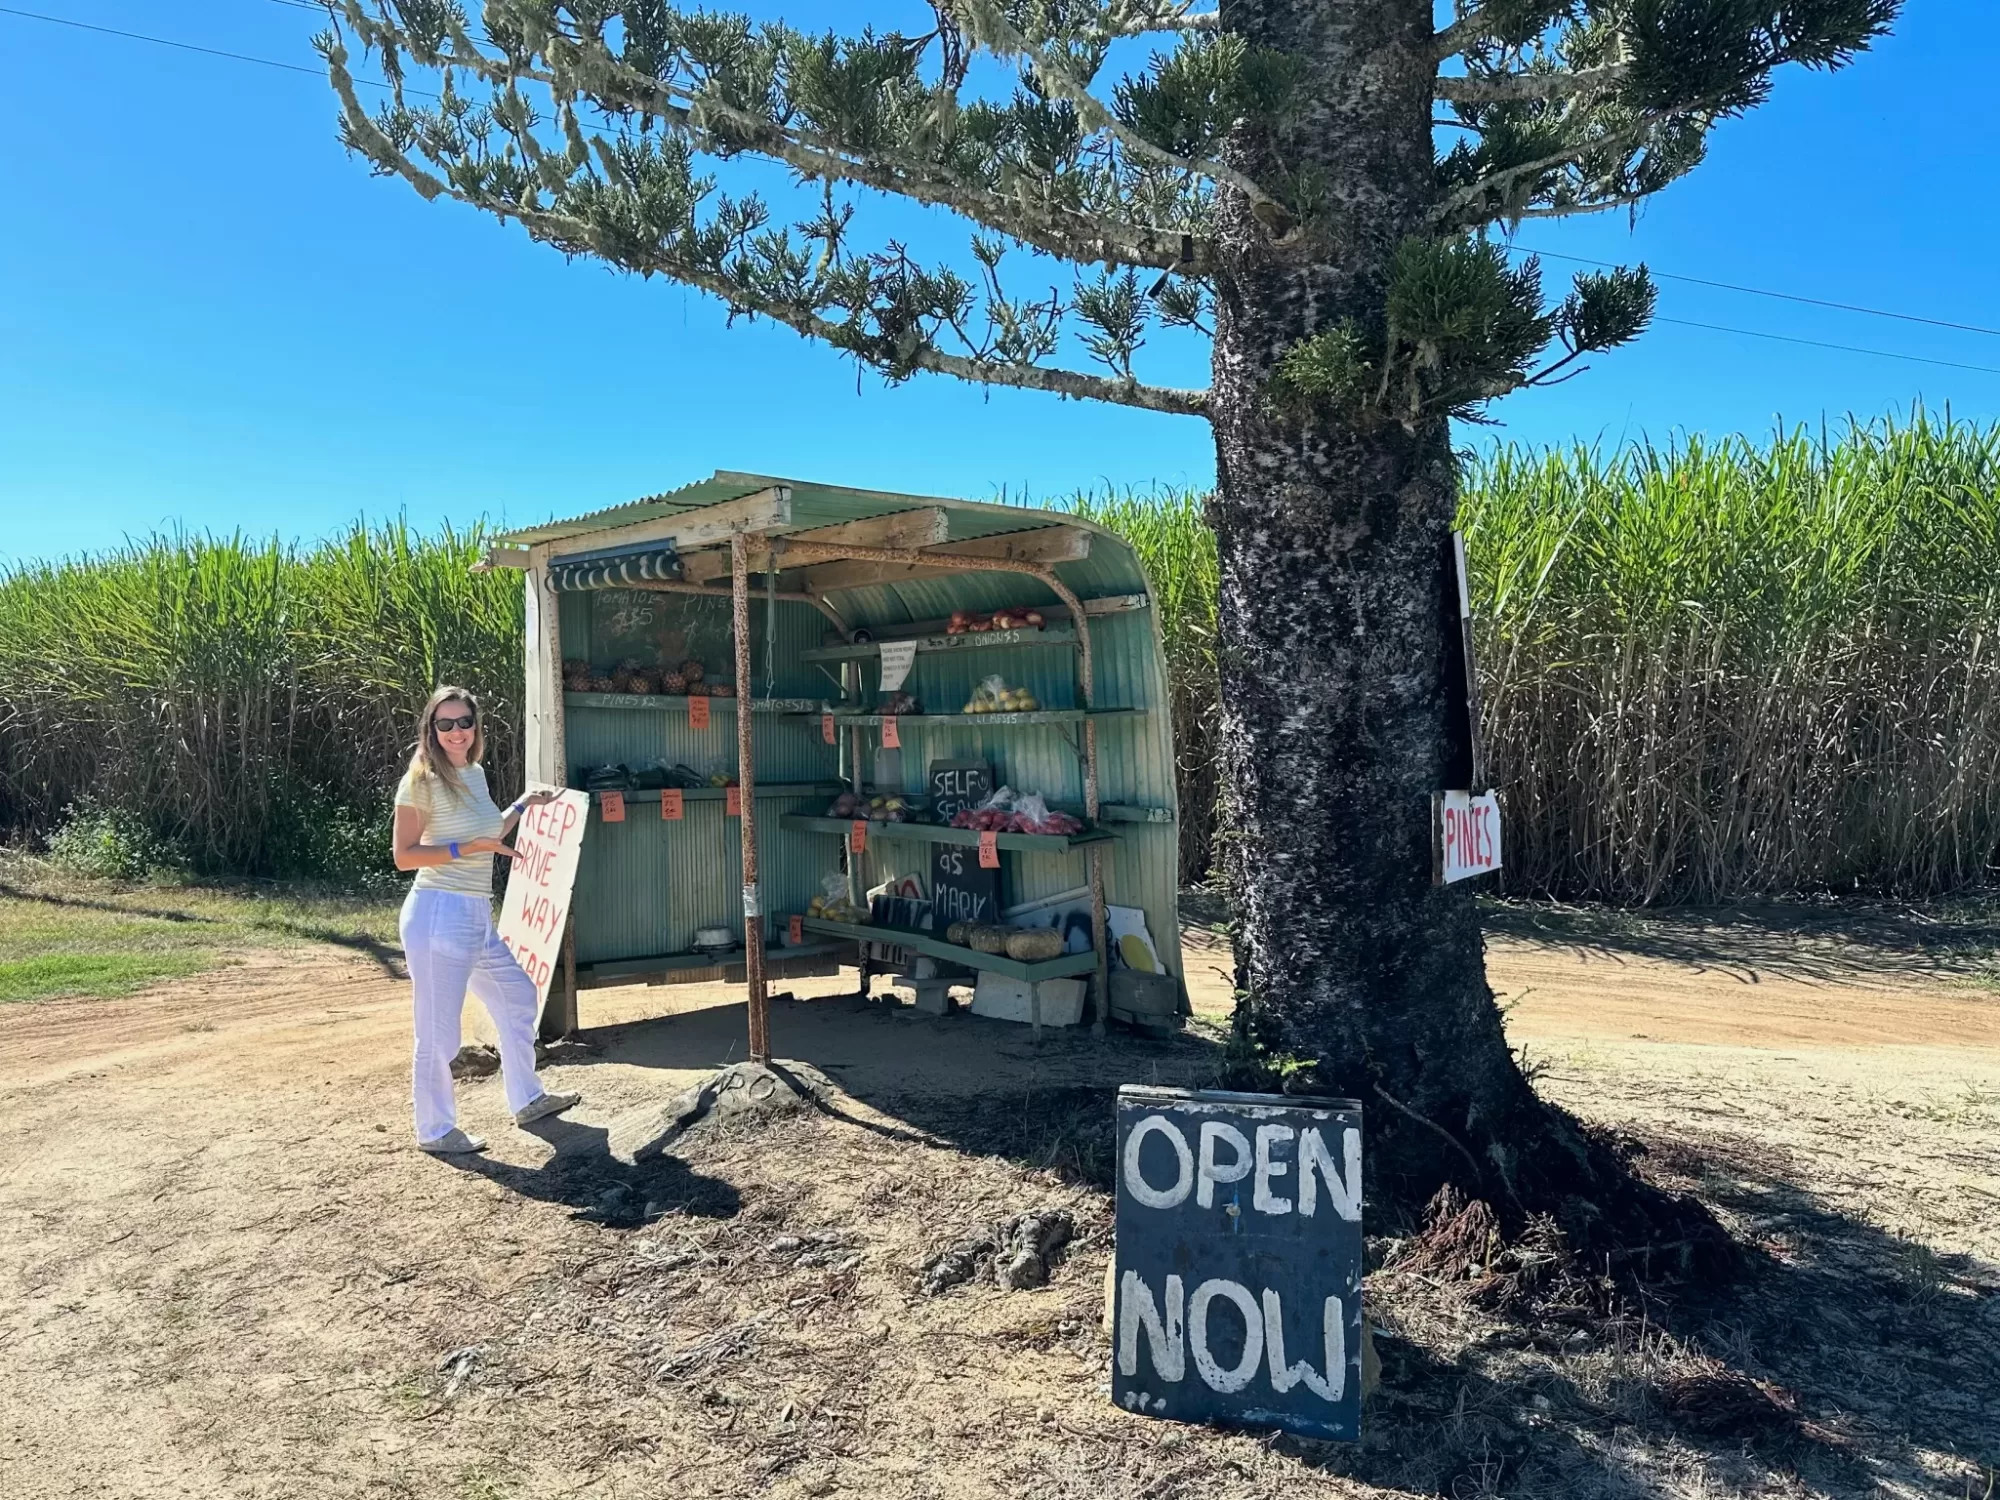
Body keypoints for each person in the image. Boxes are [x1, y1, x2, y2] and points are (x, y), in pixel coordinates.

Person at [392, 685, 578, 1154]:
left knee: (518, 996)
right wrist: (462, 850)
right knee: (437, 1032)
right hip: (439, 914)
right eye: (445, 723)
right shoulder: (420, 779)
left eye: (464, 722)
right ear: (431, 729)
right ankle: (435, 1130)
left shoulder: (472, 773)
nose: (456, 732)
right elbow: (404, 856)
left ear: (475, 726)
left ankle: (528, 1097)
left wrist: (521, 805)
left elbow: (485, 834)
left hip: (475, 915)